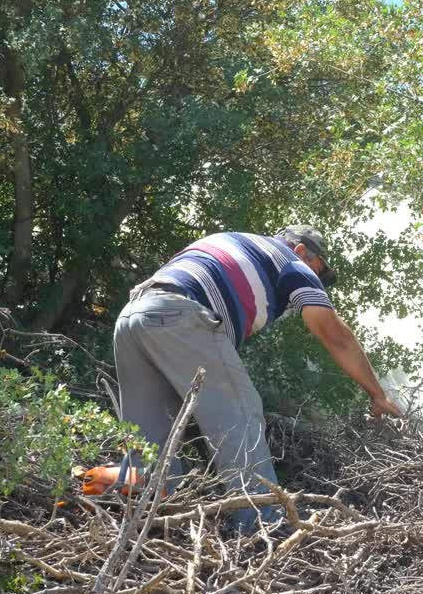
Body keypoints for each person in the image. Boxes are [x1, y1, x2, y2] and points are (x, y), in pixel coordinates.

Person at [91, 225, 402, 533]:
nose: (316, 279)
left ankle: (141, 520)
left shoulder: (236, 242)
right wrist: (377, 394)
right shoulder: (290, 261)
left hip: (133, 316)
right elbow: (335, 335)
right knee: (240, 416)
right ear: (301, 250)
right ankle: (261, 529)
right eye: (317, 270)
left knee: (150, 449)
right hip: (178, 314)